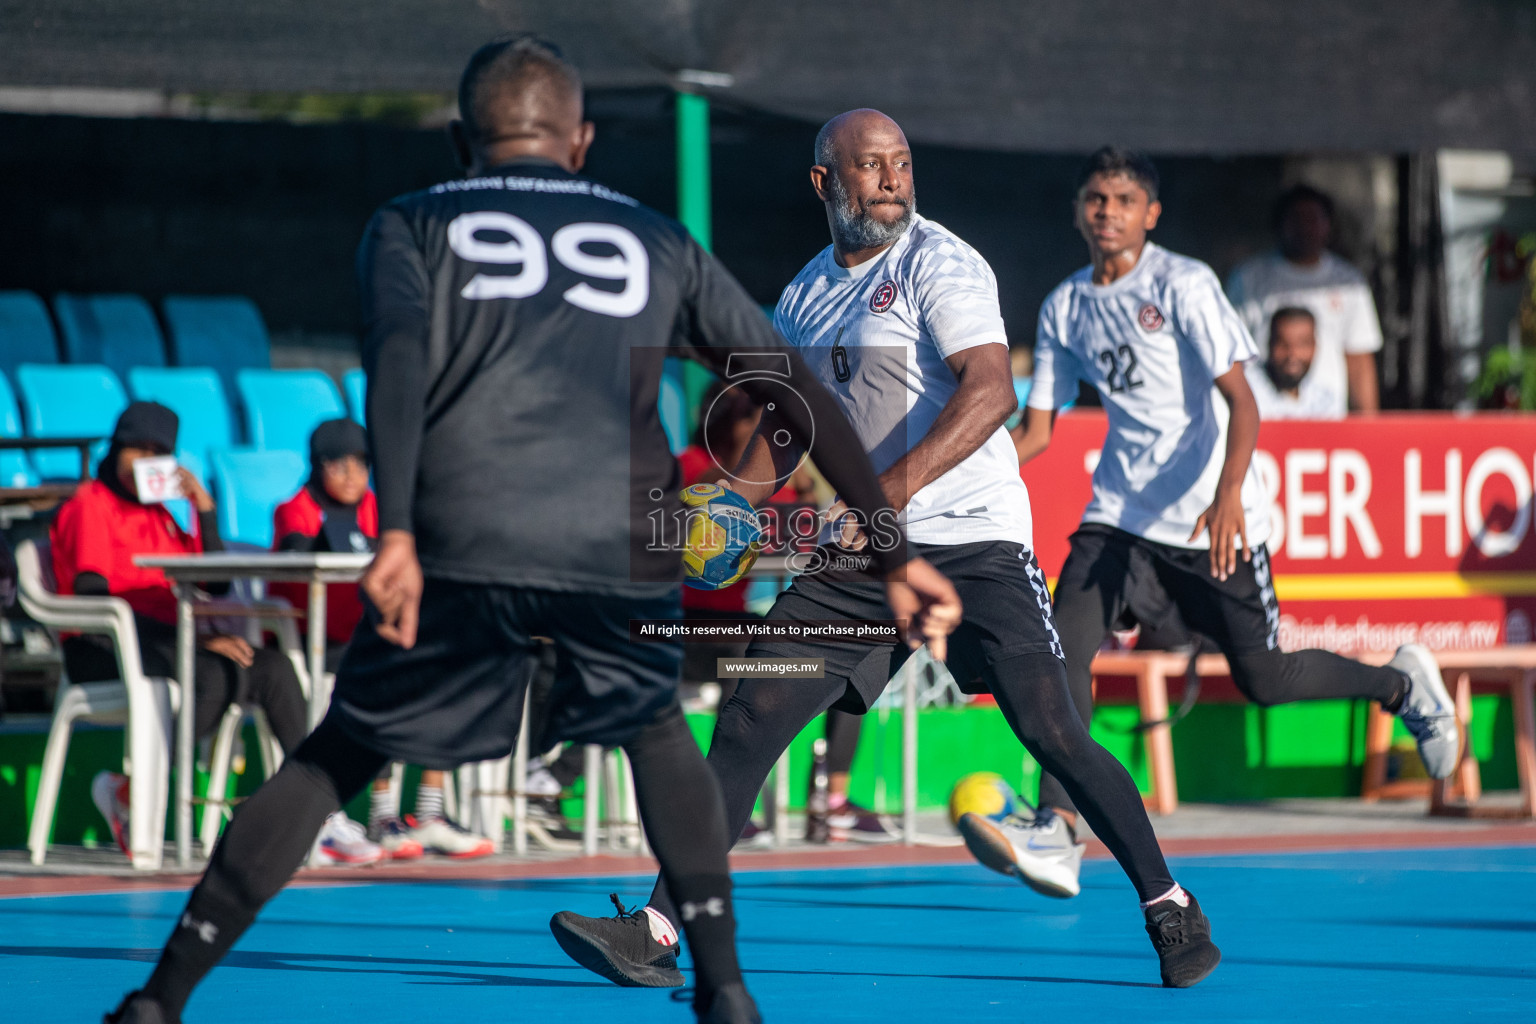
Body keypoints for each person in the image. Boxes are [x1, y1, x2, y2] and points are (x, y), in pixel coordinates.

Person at [106, 39, 959, 1024]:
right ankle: (724, 991)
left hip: (467, 531)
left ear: (463, 137)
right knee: (655, 732)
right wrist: (894, 551)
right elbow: (790, 383)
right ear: (582, 141)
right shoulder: (655, 237)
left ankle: (160, 997)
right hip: (610, 542)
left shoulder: (411, 224)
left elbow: (393, 371)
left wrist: (394, 532)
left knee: (336, 754)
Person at [550, 110, 1222, 991]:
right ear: (827, 183)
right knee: (752, 712)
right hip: (867, 560)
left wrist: (882, 497)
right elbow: (788, 426)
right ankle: (658, 930)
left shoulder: (941, 263)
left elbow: (993, 393)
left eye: (901, 162)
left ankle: (1169, 905)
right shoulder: (803, 295)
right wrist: (735, 505)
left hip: (976, 542)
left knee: (1051, 728)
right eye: (870, 166)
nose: (892, 178)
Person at [1010, 147, 1459, 900]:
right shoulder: (1065, 305)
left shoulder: (1185, 283)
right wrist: (956, 473)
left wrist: (1226, 498)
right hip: (1118, 517)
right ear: (1079, 210)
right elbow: (1038, 430)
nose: (1107, 212)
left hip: (1215, 517)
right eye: (1095, 198)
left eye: (1124, 200)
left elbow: (1243, 402)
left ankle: (1399, 684)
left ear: (1150, 214)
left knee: (1265, 677)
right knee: (1064, 650)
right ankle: (1057, 828)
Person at [49, 404, 373, 866]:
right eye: (137, 449)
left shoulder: (162, 514)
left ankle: (318, 811)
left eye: (158, 452)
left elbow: (215, 583)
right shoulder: (90, 504)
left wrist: (205, 511)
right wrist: (196, 642)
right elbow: (93, 595)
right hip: (104, 645)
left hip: (171, 643)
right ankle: (136, 791)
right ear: (117, 449)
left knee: (273, 668)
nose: (145, 459)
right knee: (217, 674)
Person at [271, 418, 492, 860]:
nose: (352, 474)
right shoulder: (294, 508)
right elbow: (293, 565)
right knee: (384, 676)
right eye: (339, 463)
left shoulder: (378, 507)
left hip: (372, 632)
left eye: (361, 463)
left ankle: (428, 813)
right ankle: (383, 814)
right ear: (317, 466)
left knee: (446, 671)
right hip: (317, 642)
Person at [1226, 184, 1383, 415]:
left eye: (1314, 219)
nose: (1305, 227)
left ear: (1328, 225)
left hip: (1328, 418)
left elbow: (1359, 360)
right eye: (1296, 219)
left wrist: (1369, 430)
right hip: (1262, 416)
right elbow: (1229, 355)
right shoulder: (1248, 278)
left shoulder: (1349, 282)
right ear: (1280, 224)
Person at [1244, 306, 1341, 419]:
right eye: (1283, 344)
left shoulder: (1325, 401)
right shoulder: (1246, 392)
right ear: (1269, 344)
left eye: (1302, 344)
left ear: (1315, 347)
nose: (1293, 354)